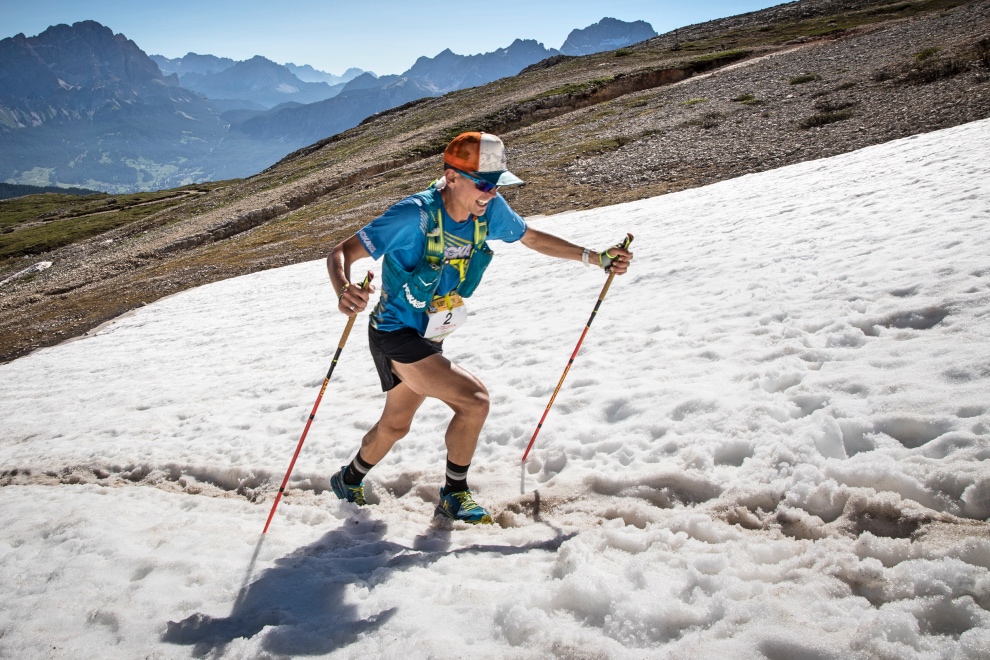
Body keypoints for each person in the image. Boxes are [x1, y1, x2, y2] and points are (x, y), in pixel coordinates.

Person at [326, 131, 632, 525]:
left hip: (430, 333)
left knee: (395, 425)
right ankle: (454, 494)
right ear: (452, 178)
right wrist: (344, 289)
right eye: (483, 183)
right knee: (474, 400)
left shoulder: (488, 210)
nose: (490, 193)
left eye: (497, 184)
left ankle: (347, 478)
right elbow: (342, 252)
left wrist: (595, 258)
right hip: (394, 332)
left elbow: (530, 236)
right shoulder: (413, 215)